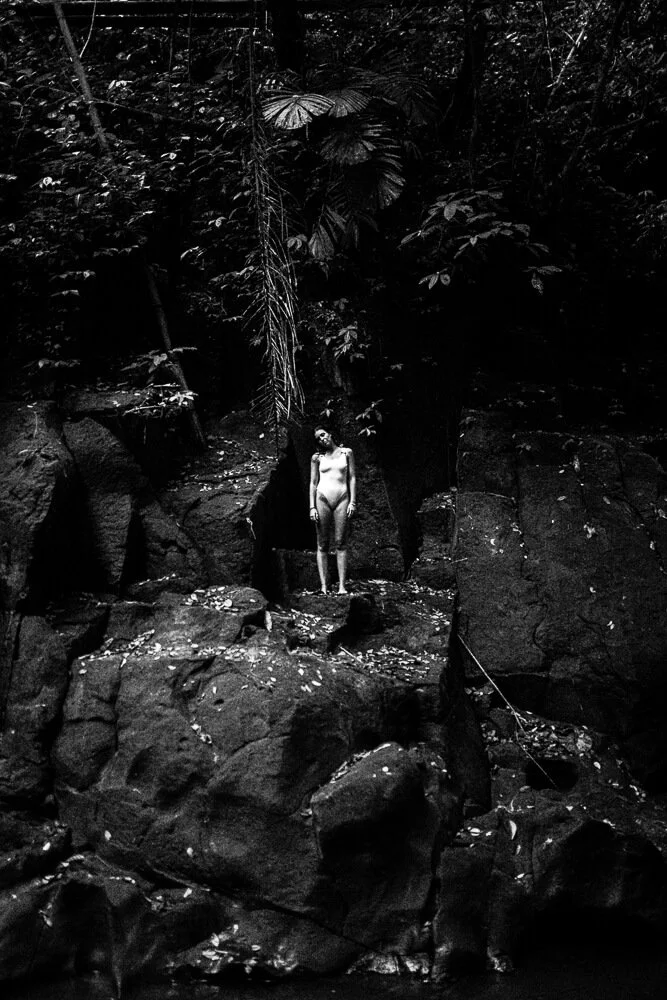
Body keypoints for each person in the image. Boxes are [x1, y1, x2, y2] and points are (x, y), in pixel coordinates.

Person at [309, 426, 356, 595]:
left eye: (323, 435)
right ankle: (323, 586)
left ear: (330, 433)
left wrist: (352, 501)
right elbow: (313, 483)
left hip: (342, 498)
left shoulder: (346, 453)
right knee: (322, 543)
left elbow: (352, 477)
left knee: (341, 542)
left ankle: (342, 587)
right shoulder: (317, 458)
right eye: (318, 439)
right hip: (322, 498)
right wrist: (312, 506)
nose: (322, 439)